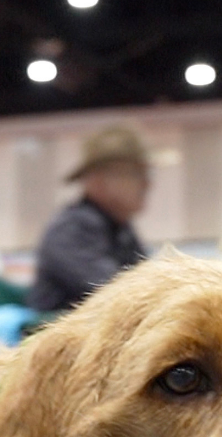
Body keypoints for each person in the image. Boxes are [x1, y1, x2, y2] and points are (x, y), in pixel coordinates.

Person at [27, 125, 149, 314]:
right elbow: (121, 294)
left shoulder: (121, 230)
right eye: (135, 173)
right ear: (97, 180)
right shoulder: (72, 229)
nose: (147, 183)